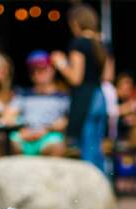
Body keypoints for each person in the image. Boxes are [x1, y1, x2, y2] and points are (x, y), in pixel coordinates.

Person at [51, 4, 109, 172]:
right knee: (97, 147)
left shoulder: (79, 43)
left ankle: (90, 192)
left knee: (86, 148)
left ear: (76, 23)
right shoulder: (103, 42)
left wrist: (61, 64)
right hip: (100, 96)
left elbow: (76, 78)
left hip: (86, 99)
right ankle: (103, 186)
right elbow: (107, 76)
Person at [6, 51, 69, 156]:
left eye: (43, 69)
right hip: (24, 136)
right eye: (33, 70)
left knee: (57, 144)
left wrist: (46, 131)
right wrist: (21, 129)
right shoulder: (23, 95)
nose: (37, 73)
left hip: (48, 136)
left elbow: (67, 120)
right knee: (13, 140)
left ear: (52, 70)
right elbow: (8, 116)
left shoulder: (62, 96)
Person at [115, 72, 136, 139]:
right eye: (126, 83)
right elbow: (110, 111)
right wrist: (129, 107)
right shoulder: (111, 97)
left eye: (130, 83)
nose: (129, 86)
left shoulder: (125, 100)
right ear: (117, 85)